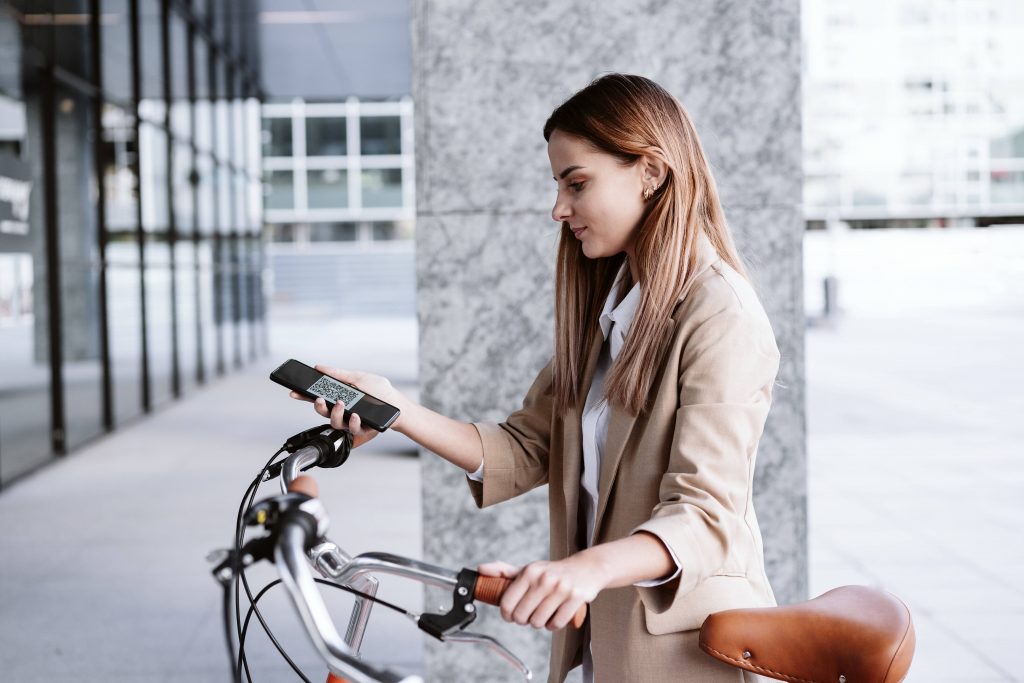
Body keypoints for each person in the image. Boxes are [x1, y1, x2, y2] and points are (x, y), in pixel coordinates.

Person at [291, 73, 777, 683]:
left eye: (577, 183)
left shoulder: (720, 313)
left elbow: (706, 516)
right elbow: (525, 448)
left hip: (684, 654)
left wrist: (584, 570)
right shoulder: (614, 310)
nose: (558, 209)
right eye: (558, 185)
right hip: (601, 642)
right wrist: (393, 408)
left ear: (651, 172)